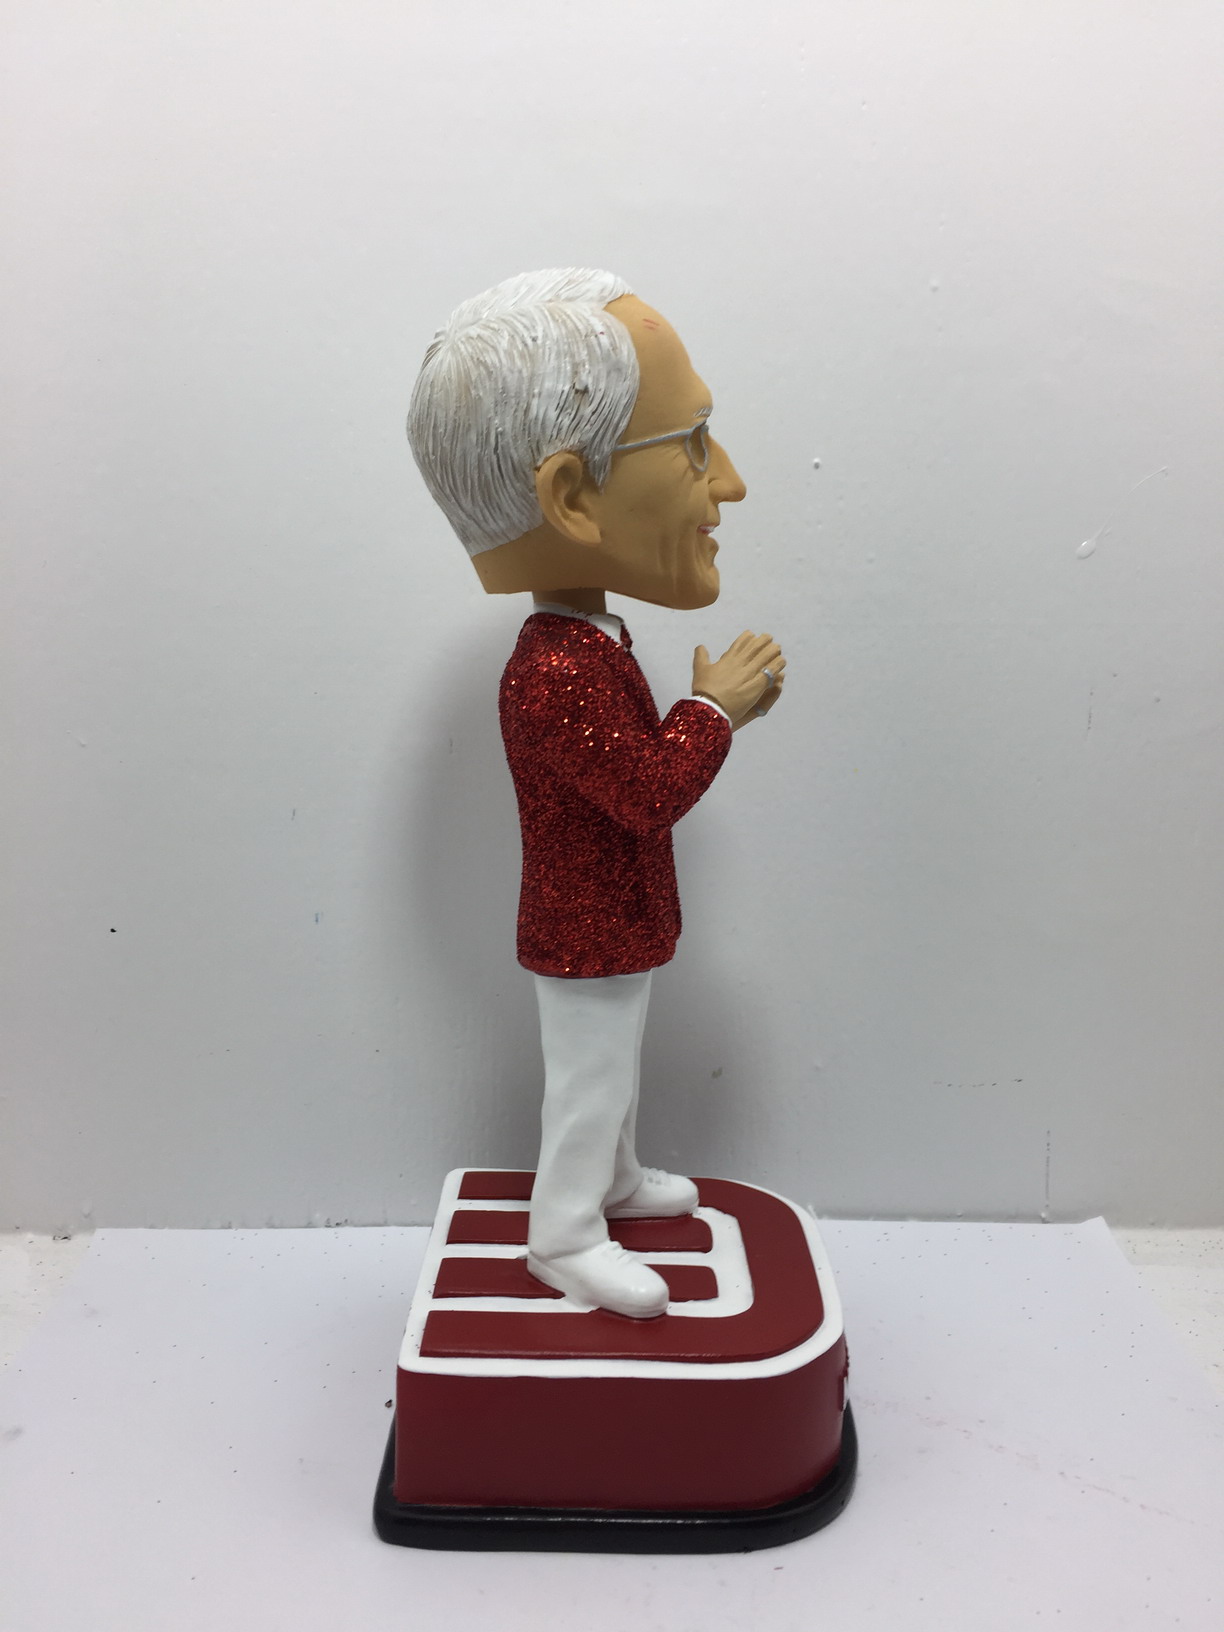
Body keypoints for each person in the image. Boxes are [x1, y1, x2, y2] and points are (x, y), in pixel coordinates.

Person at [407, 269, 786, 1317]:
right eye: (693, 444)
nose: (729, 480)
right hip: (585, 932)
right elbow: (646, 793)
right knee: (590, 1082)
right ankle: (565, 1234)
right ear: (573, 497)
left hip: (609, 923)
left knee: (613, 1074)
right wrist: (714, 709)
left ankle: (612, 1179)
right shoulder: (554, 671)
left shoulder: (584, 644)